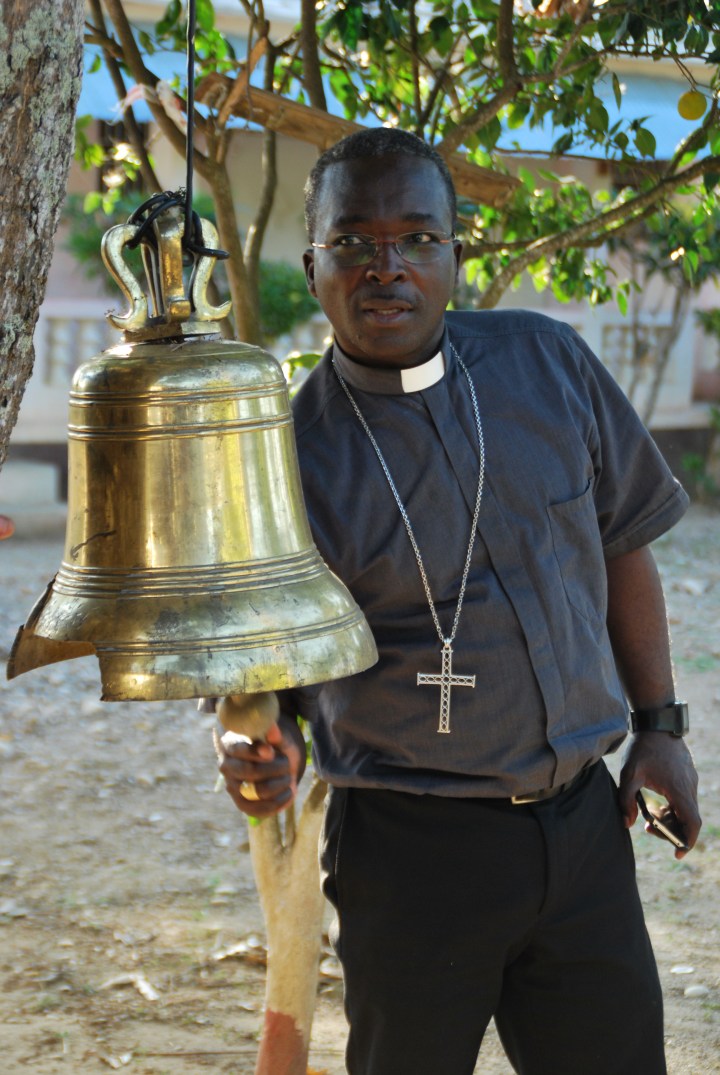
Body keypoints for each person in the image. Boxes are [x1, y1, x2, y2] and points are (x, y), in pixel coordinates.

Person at [218, 128, 701, 1075]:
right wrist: (254, 737)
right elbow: (259, 668)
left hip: (581, 834)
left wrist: (661, 727)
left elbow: (622, 545)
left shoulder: (549, 365)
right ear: (312, 260)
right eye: (354, 241)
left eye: (417, 239)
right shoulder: (278, 461)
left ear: (454, 252)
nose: (385, 268)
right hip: (410, 853)